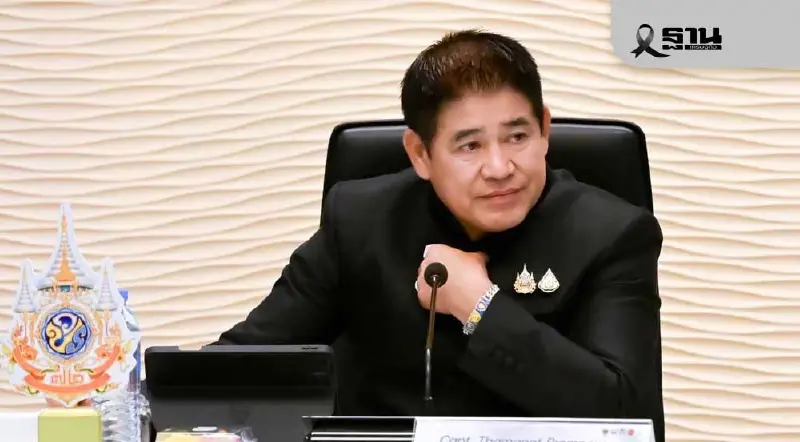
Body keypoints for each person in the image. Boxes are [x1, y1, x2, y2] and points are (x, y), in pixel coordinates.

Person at [215, 29, 665, 442]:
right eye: (470, 145)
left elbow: (626, 414)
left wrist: (480, 307)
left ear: (545, 130)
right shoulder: (361, 220)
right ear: (420, 154)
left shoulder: (613, 234)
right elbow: (248, 362)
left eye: (517, 137)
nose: (499, 168)